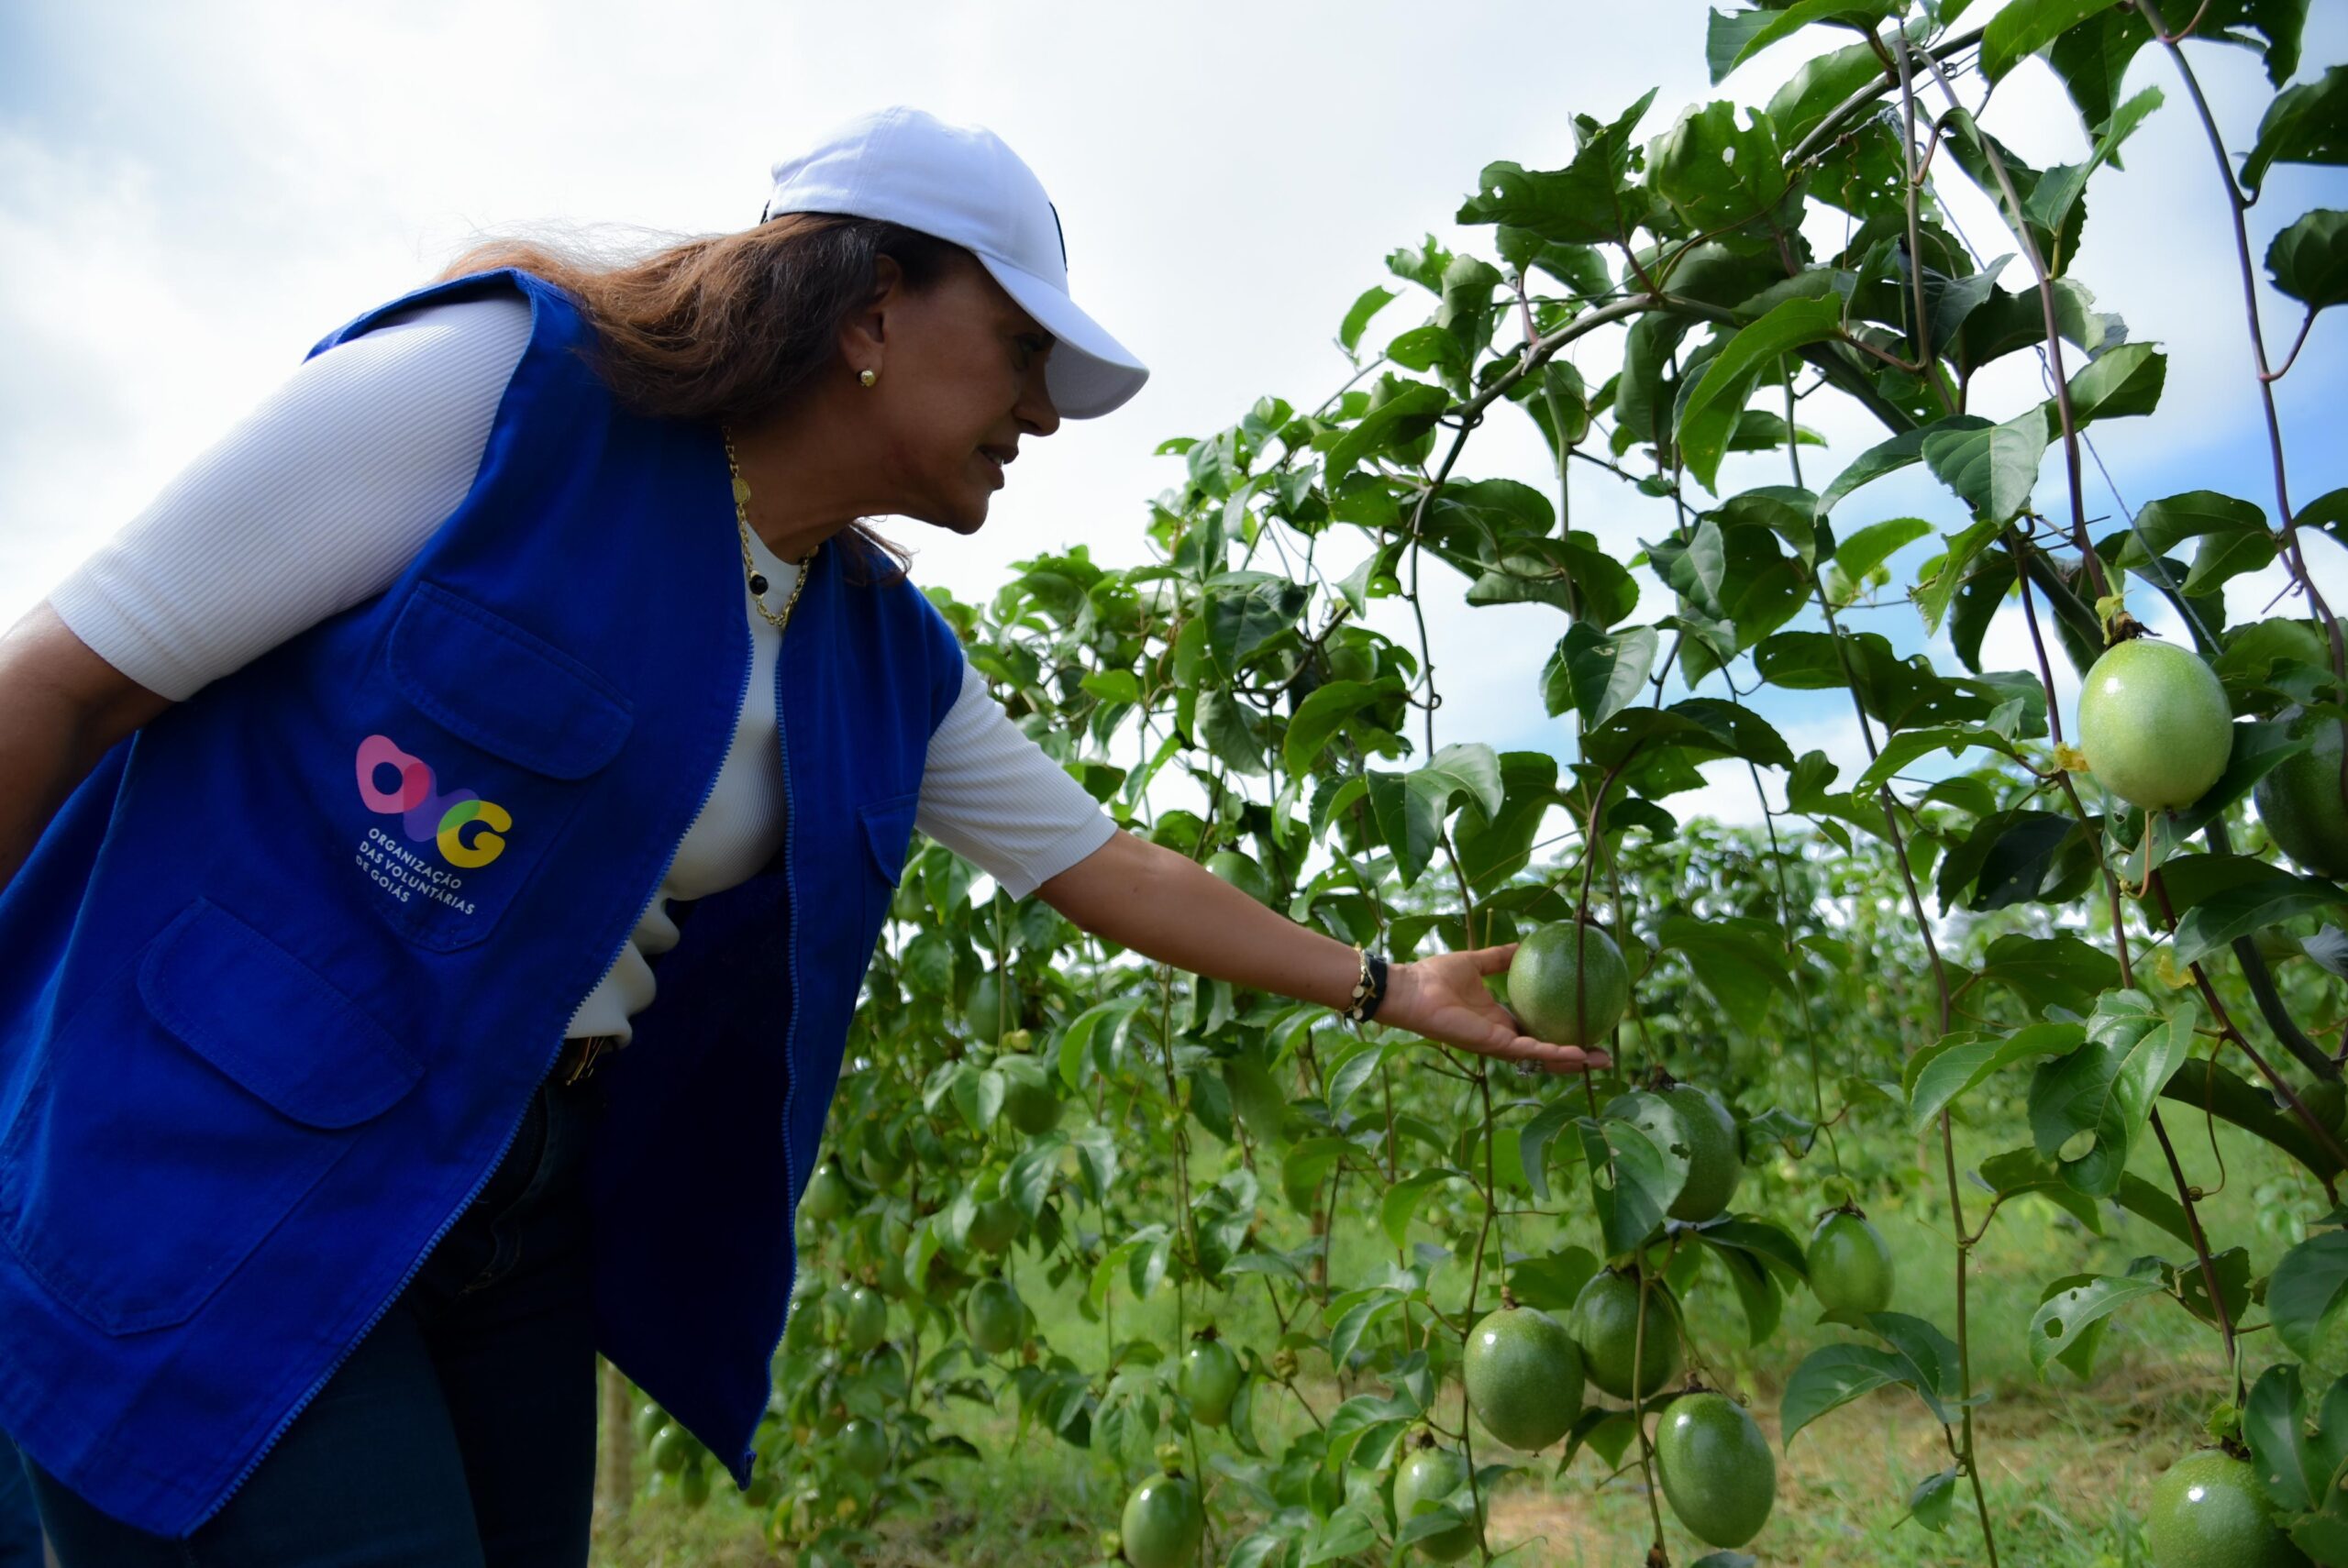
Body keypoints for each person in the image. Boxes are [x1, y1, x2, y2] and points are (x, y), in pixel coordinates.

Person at [0, 106, 1609, 1566]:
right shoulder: (499, 395)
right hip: (222, 1163)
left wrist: (1387, 983)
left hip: (515, 1217)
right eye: (1020, 350)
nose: (1045, 412)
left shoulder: (876, 650)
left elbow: (1106, 867)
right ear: (866, 312)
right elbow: (58, 687)